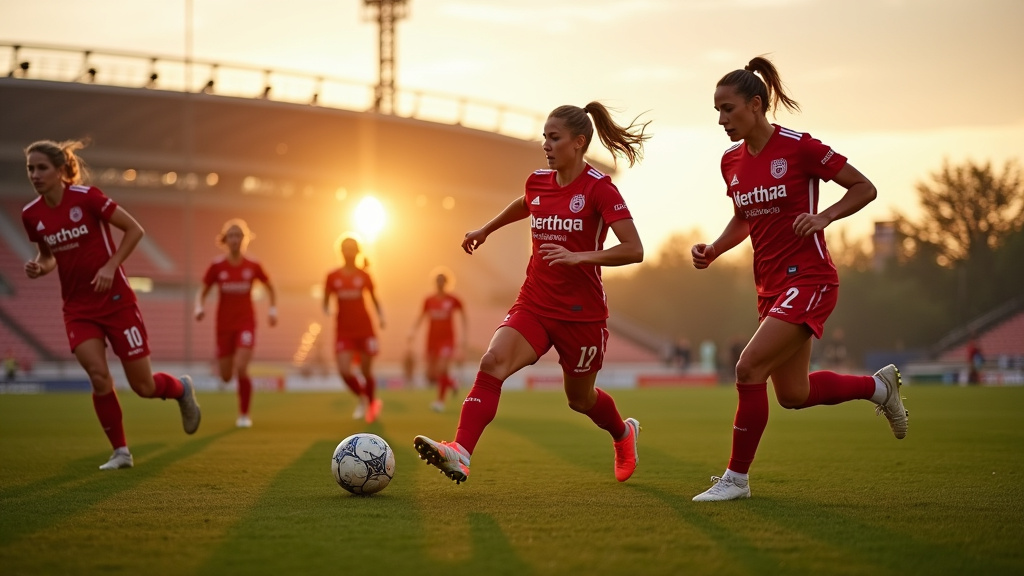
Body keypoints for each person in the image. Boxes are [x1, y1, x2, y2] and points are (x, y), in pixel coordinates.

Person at [689, 56, 909, 502]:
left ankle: (736, 480)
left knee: (747, 368)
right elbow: (742, 219)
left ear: (755, 104)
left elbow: (864, 187)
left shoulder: (800, 147)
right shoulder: (730, 161)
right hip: (770, 287)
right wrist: (714, 248)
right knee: (793, 394)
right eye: (717, 110)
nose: (720, 119)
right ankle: (878, 387)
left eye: (728, 109)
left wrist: (823, 217)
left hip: (810, 280)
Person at [413, 101, 650, 484]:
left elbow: (634, 249)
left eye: (553, 138)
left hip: (582, 315)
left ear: (578, 142)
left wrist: (578, 257)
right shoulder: (538, 181)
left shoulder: (600, 190)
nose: (546, 144)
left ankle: (624, 434)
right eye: (544, 137)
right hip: (535, 303)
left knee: (580, 399)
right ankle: (460, 452)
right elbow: (526, 204)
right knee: (492, 363)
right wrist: (486, 229)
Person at [20, 140, 200, 470]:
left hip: (117, 302)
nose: (34, 174)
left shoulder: (87, 198)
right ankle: (121, 452)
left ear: (61, 170)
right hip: (77, 309)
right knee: (99, 376)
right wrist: (38, 267)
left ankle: (181, 389)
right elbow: (47, 259)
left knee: (143, 386)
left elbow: (135, 230)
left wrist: (110, 266)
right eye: (30, 168)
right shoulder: (31, 215)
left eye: (41, 167)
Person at [195, 219, 277, 428]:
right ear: (225, 240)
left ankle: (244, 414)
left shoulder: (253, 265)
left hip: (246, 323)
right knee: (225, 377)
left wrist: (272, 310)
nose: (234, 239)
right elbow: (202, 291)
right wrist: (199, 307)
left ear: (244, 239)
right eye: (230, 235)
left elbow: (270, 288)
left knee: (241, 367)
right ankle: (228, 374)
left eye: (238, 235)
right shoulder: (216, 266)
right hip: (223, 326)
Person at [323, 235, 385, 423]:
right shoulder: (332, 276)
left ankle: (371, 404)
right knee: (344, 370)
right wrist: (327, 309)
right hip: (344, 330)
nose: (348, 252)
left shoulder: (364, 276)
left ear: (357, 251)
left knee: (366, 371)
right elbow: (325, 300)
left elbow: (374, 299)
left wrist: (381, 316)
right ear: (340, 251)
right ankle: (363, 397)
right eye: (345, 248)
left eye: (352, 248)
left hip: (365, 329)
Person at [408, 269, 467, 412]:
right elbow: (421, 316)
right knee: (431, 374)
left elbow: (463, 316)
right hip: (431, 340)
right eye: (437, 281)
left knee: (441, 369)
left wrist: (464, 336)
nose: (440, 283)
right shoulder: (429, 300)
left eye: (442, 281)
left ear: (446, 282)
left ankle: (440, 402)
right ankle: (453, 383)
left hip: (447, 340)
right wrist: (412, 331)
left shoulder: (453, 300)